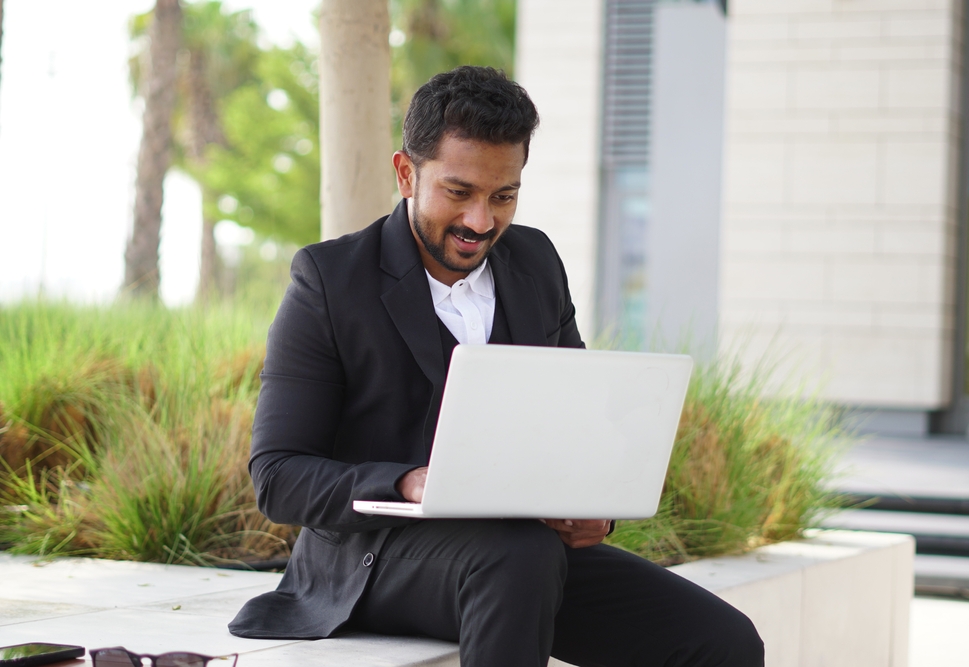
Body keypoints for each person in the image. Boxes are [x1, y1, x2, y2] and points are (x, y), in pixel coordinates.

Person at [229, 65, 763, 667]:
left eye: (502, 195)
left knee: (723, 642)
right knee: (519, 558)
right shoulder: (328, 280)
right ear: (406, 173)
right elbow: (278, 477)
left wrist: (597, 511)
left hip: (526, 551)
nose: (481, 222)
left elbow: (578, 426)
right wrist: (405, 483)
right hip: (374, 562)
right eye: (458, 192)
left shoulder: (535, 262)